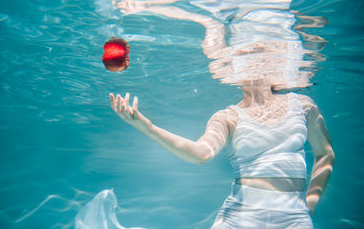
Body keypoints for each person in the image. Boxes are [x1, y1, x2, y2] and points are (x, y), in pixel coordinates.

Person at [109, 77, 334, 228]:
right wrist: (148, 128)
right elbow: (201, 154)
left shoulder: (303, 106)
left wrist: (309, 203)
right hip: (239, 219)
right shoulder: (227, 117)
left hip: (294, 220)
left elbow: (325, 155)